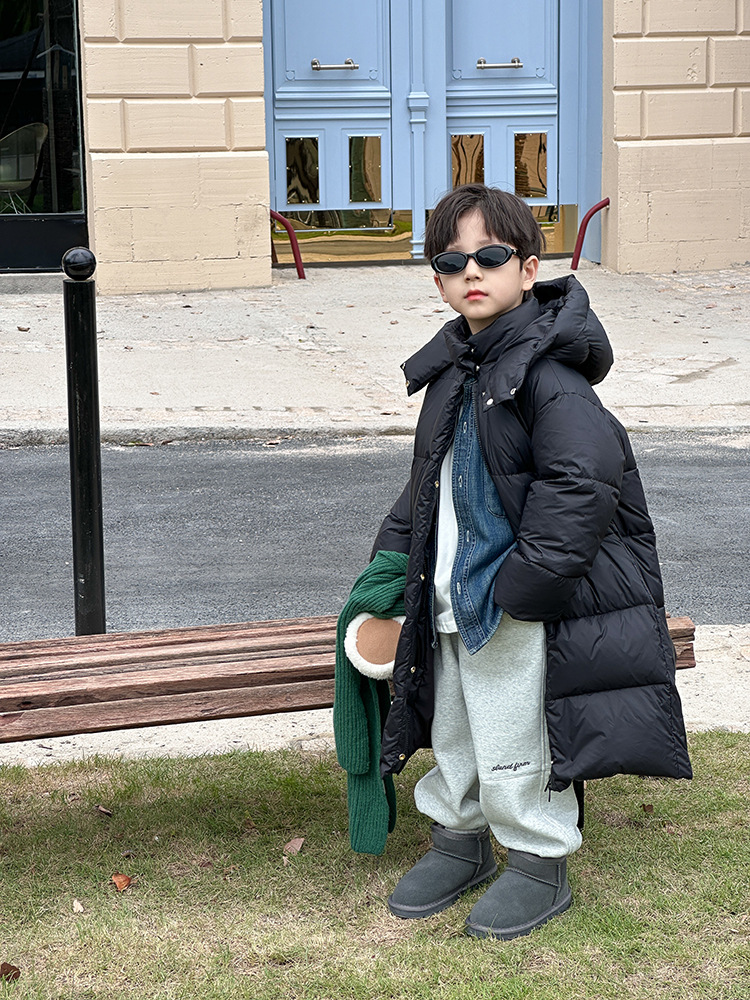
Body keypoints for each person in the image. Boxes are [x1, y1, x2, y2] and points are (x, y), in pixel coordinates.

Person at [370, 183, 692, 940]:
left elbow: (582, 483)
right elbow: (427, 482)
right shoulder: (455, 370)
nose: (471, 272)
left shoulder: (550, 374)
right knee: (454, 727)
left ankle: (538, 858)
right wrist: (388, 565)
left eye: (490, 255)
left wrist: (524, 585)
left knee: (517, 736)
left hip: (512, 601)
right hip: (451, 594)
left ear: (527, 268)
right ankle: (459, 841)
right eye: (452, 261)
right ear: (438, 281)